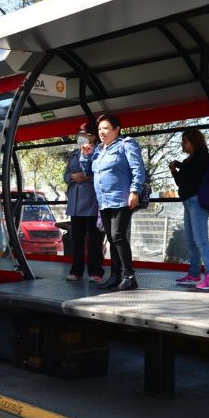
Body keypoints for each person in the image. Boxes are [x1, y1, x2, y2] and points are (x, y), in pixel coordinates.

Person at [80, 114, 146, 291]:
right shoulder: (99, 150)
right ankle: (115, 276)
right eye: (100, 129)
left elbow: (138, 169)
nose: (102, 132)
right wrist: (85, 156)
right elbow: (88, 172)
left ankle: (129, 276)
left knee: (118, 236)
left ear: (116, 130)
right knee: (111, 238)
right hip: (104, 201)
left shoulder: (126, 144)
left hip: (121, 199)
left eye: (106, 128)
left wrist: (135, 191)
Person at [168, 130, 209, 290]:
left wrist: (181, 167)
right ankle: (194, 273)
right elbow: (183, 183)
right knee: (191, 241)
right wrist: (175, 171)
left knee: (201, 240)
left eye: (185, 141)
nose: (183, 144)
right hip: (188, 202)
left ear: (194, 141)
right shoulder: (190, 160)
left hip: (197, 202)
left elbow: (194, 177)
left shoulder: (202, 157)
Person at [64, 122, 104, 282]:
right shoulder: (74, 153)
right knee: (77, 239)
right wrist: (72, 177)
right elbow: (66, 175)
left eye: (83, 134)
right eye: (78, 133)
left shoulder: (100, 152)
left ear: (93, 136)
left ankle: (95, 271)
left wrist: (88, 176)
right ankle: (76, 270)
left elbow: (102, 173)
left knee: (95, 239)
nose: (79, 137)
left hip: (92, 201)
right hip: (75, 202)